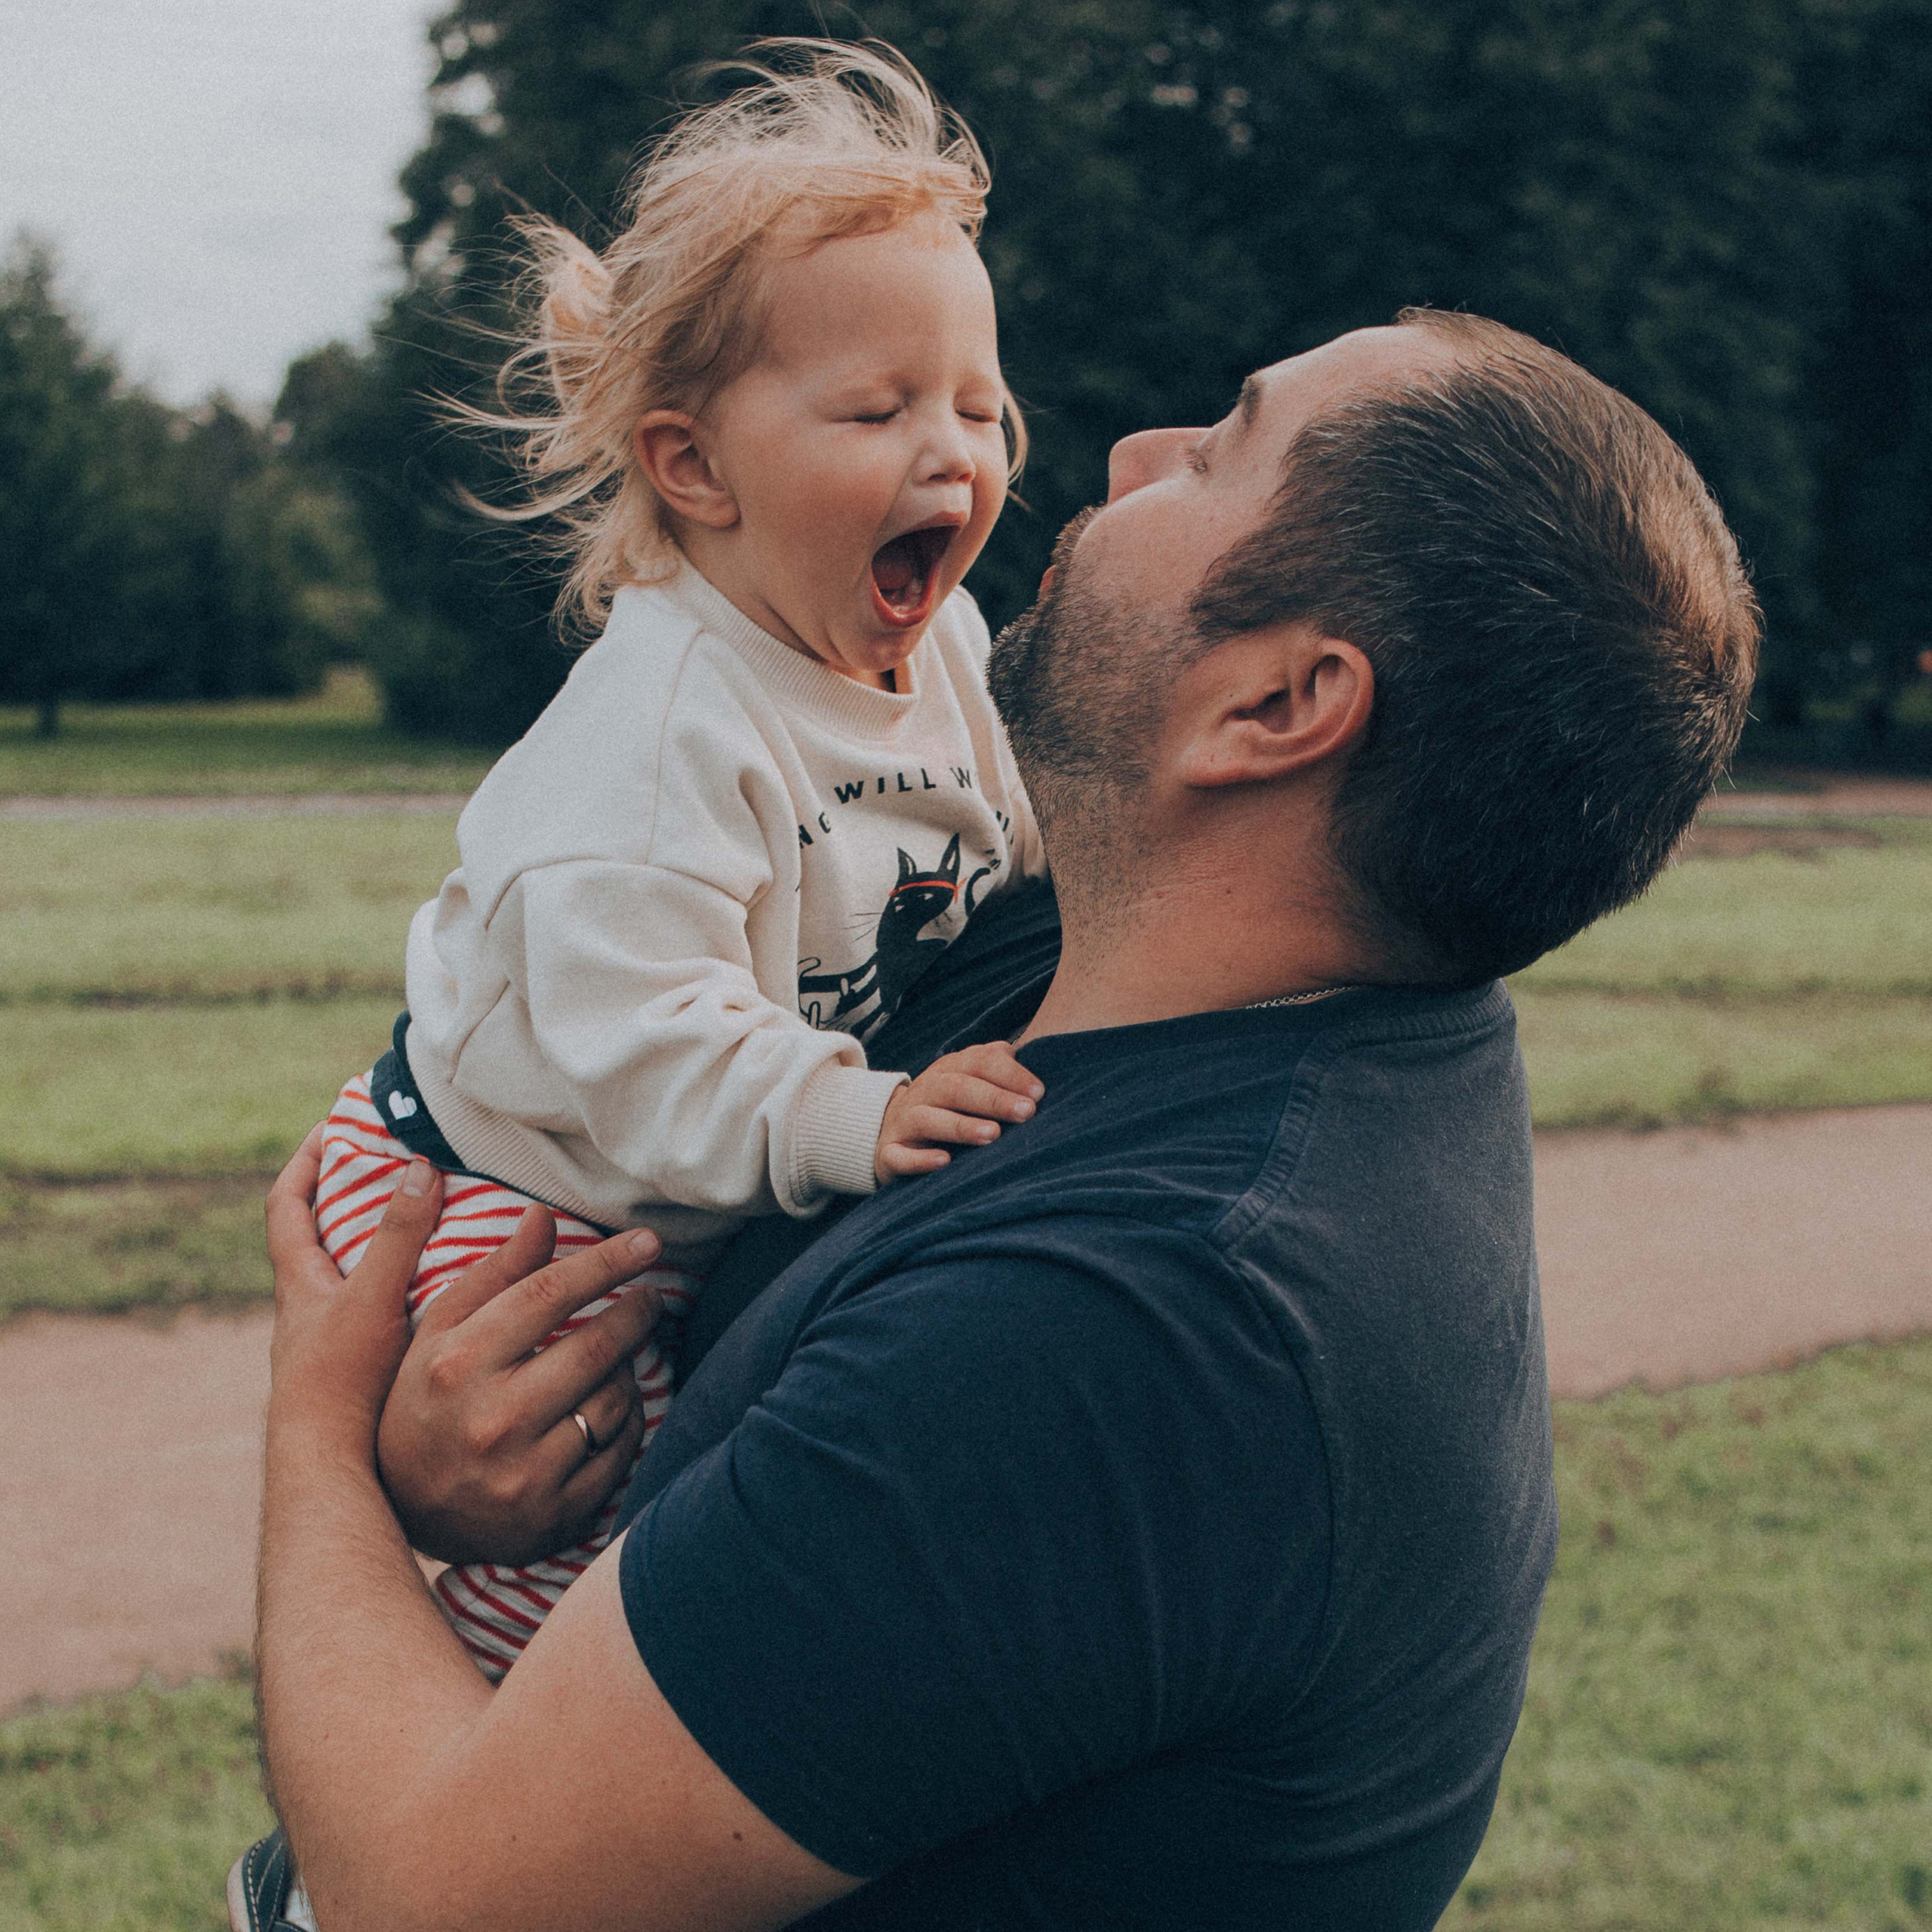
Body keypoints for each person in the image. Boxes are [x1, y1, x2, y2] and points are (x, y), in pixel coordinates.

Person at [246, 309, 1760, 1932]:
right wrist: (467, 1464)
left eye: (1218, 450)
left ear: (1274, 704)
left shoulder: (1145, 1328)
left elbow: (428, 1898)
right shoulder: (1115, 975)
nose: (1116, 458)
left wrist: (320, 1426)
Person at [309, 40, 1047, 1686]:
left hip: (656, 1175)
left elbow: (1011, 846)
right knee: (586, 1549)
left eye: (981, 407)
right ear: (692, 467)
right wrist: (844, 1110)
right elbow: (633, 1035)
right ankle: (393, 1841)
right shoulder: (656, 734)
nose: (954, 454)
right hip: (497, 1183)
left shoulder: (943, 644)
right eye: (877, 408)